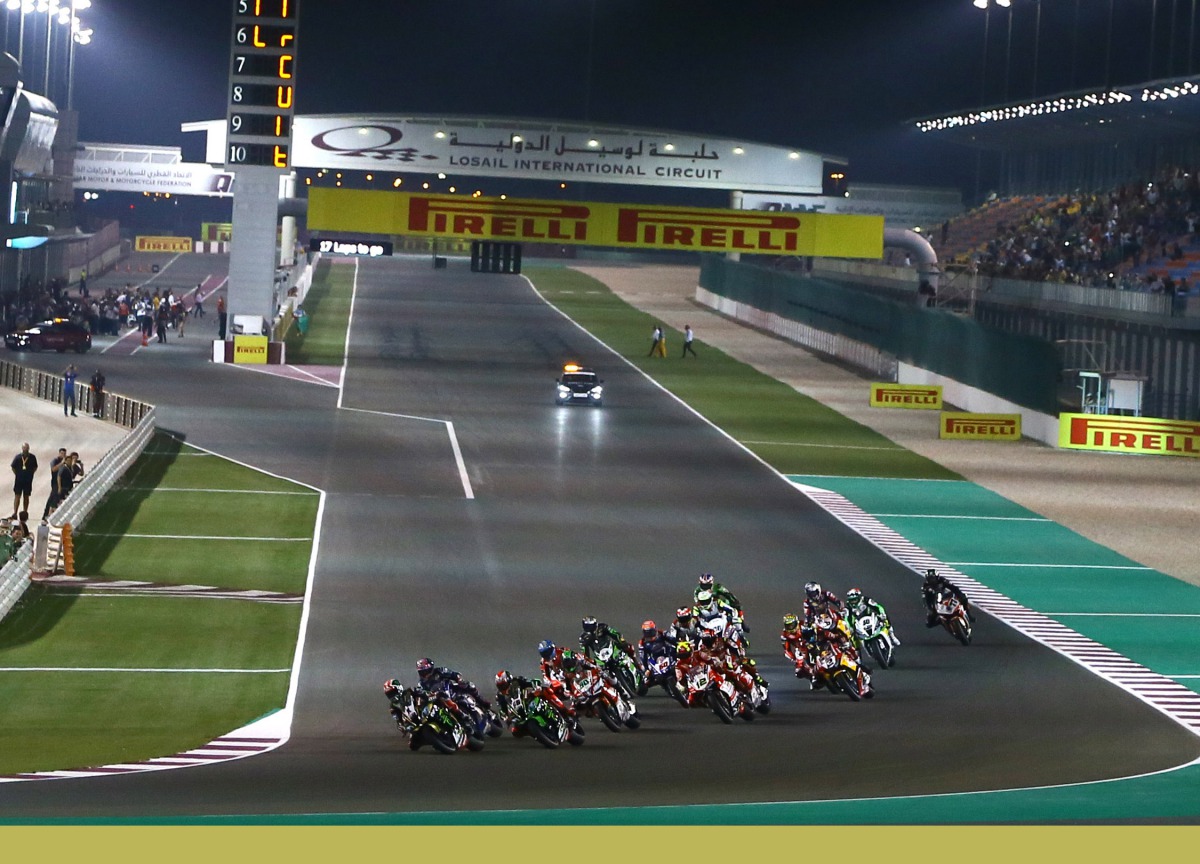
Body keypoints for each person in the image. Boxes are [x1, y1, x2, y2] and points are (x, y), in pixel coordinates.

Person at [11, 443, 37, 518]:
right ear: (22, 448)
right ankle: (15, 512)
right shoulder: (18, 457)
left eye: (27, 448)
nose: (25, 449)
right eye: (24, 448)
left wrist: (30, 474)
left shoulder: (32, 457)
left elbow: (35, 467)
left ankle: (25, 512)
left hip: (28, 480)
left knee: (26, 496)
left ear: (29, 448)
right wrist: (17, 474)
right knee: (17, 496)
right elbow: (13, 467)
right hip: (19, 480)